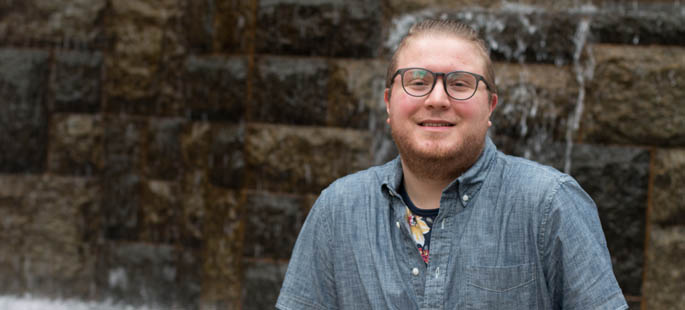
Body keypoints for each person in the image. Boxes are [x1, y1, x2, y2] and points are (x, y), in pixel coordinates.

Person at [276, 19, 628, 309]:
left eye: (460, 83)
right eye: (418, 81)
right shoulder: (338, 210)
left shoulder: (550, 204)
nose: (438, 99)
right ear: (388, 102)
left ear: (490, 106)